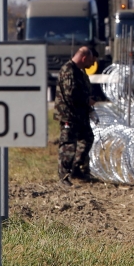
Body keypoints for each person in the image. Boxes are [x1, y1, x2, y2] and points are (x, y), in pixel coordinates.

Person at [54, 47, 97, 184]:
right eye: (90, 61)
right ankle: (64, 175)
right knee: (68, 145)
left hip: (80, 114)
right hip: (69, 115)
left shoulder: (79, 71)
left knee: (87, 139)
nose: (91, 65)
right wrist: (87, 100)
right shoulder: (69, 70)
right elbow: (70, 94)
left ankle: (76, 169)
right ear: (84, 58)